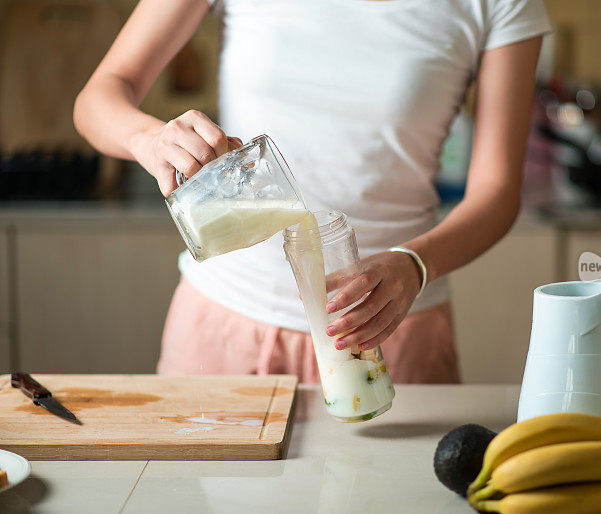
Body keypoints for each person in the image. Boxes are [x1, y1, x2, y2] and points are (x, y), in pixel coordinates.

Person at [74, 0, 550, 383]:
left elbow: (498, 191)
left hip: (388, 328)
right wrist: (148, 138)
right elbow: (99, 97)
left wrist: (414, 264)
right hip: (224, 322)